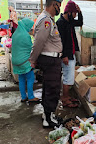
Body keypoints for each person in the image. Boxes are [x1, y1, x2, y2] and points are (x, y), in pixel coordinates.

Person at [29, 0, 63, 128]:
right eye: (59, 4)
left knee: (49, 88)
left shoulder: (49, 19)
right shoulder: (46, 20)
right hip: (50, 60)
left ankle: (48, 115)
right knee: (52, 89)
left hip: (51, 59)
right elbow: (39, 42)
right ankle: (48, 120)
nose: (60, 7)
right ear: (54, 3)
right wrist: (32, 59)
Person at [57, 0, 83, 108]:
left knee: (69, 77)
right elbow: (60, 41)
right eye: (75, 13)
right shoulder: (60, 23)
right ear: (69, 12)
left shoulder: (70, 21)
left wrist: (80, 12)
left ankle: (66, 96)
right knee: (68, 77)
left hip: (71, 53)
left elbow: (80, 23)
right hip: (66, 55)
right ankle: (65, 99)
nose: (75, 15)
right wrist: (64, 56)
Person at [11, 18, 39, 103]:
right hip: (24, 61)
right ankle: (30, 96)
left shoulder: (15, 33)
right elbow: (31, 48)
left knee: (21, 79)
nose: (29, 29)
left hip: (15, 61)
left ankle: (23, 97)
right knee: (30, 78)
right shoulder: (25, 35)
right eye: (29, 27)